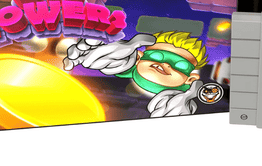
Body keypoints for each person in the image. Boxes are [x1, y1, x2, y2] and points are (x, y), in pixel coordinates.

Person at [63, 31, 208, 117]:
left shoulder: (179, 100)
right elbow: (105, 60)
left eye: (180, 65)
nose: (166, 65)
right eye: (157, 56)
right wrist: (87, 52)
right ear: (139, 57)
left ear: (190, 79)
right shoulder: (124, 61)